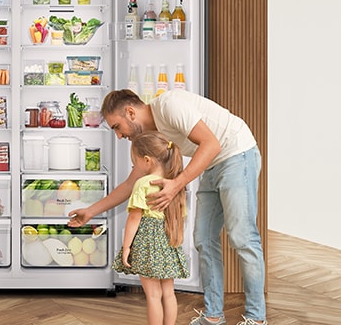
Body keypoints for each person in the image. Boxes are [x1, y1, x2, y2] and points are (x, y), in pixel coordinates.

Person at [68, 88, 267, 325]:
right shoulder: (155, 135)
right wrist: (91, 211)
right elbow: (131, 183)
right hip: (211, 165)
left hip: (236, 154)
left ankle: (257, 319)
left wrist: (177, 184)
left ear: (130, 112)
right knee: (203, 239)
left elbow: (211, 144)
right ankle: (213, 316)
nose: (119, 136)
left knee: (242, 238)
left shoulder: (170, 105)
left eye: (117, 127)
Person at [112, 131, 189, 325]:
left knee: (153, 296)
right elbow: (181, 217)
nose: (134, 166)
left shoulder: (143, 183)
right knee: (168, 293)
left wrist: (127, 247)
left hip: (147, 243)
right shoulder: (175, 184)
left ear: (147, 160)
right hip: (168, 241)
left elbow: (134, 218)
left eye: (134, 162)